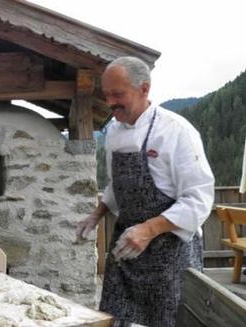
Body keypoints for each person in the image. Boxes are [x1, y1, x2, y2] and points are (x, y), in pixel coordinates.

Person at [76, 57, 214, 327]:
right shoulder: (114, 132)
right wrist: (96, 215)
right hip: (128, 248)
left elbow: (199, 199)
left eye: (118, 94)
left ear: (144, 89)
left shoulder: (176, 131)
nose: (110, 102)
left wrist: (149, 229)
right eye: (106, 95)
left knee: (168, 321)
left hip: (170, 253)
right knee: (115, 318)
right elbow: (116, 185)